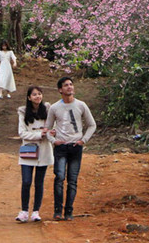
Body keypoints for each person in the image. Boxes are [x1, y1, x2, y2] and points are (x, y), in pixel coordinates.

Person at [45, 76, 96, 221]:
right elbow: (47, 128)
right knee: (59, 177)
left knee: (72, 180)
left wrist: (83, 140)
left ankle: (69, 211)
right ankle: (57, 210)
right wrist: (53, 141)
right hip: (61, 147)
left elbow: (92, 124)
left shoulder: (81, 105)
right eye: (66, 85)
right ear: (60, 90)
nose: (69, 87)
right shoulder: (55, 107)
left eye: (71, 84)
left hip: (75, 147)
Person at [16, 86, 55, 223]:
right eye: (34, 94)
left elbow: (53, 127)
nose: (37, 97)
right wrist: (39, 134)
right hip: (28, 150)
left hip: (44, 150)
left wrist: (50, 133)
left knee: (39, 182)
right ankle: (24, 210)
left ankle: (36, 211)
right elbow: (22, 132)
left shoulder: (48, 110)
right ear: (29, 97)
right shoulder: (23, 112)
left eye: (39, 94)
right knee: (26, 181)